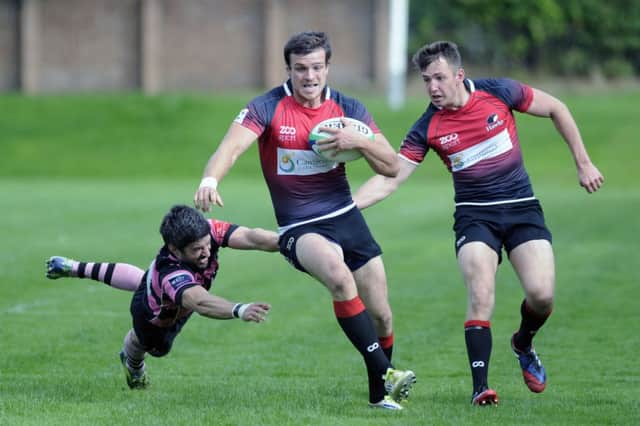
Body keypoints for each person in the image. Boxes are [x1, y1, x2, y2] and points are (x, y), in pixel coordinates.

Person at [354, 41, 604, 405]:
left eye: (439, 77)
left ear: (459, 75)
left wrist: (583, 163)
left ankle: (522, 343)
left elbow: (557, 108)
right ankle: (480, 387)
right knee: (481, 293)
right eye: (426, 80)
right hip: (475, 215)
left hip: (521, 208)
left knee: (542, 295)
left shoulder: (498, 92)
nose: (433, 87)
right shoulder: (428, 125)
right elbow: (392, 177)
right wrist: (349, 206)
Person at [193, 31, 416, 410]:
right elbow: (231, 147)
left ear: (328, 67)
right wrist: (210, 179)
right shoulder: (268, 106)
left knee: (381, 313)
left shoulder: (348, 109)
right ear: (289, 70)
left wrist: (357, 141)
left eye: (316, 67)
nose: (309, 76)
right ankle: (387, 372)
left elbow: (392, 165)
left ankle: (380, 393)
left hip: (346, 218)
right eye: (300, 69)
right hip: (300, 226)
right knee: (338, 276)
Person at [46, 204, 275, 389]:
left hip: (161, 287)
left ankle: (75, 267)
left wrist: (289, 241)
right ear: (175, 249)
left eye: (208, 245)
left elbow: (251, 237)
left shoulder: (204, 231)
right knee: (154, 347)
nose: (207, 252)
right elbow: (199, 301)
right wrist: (239, 309)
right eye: (198, 249)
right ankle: (132, 364)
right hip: (155, 315)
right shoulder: (171, 272)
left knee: (145, 280)